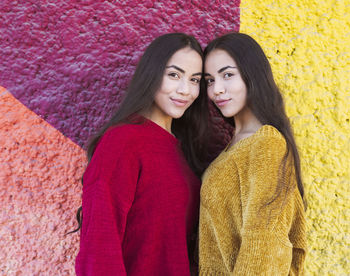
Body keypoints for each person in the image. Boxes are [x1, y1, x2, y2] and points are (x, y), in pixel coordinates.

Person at [73, 33, 209, 275]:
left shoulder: (181, 150)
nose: (185, 90)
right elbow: (99, 246)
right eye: (174, 75)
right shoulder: (123, 140)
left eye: (195, 79)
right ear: (152, 75)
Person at [199, 32, 307, 275]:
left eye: (227, 75)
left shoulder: (266, 143)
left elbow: (264, 243)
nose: (217, 89)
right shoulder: (235, 146)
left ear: (252, 76)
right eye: (209, 80)